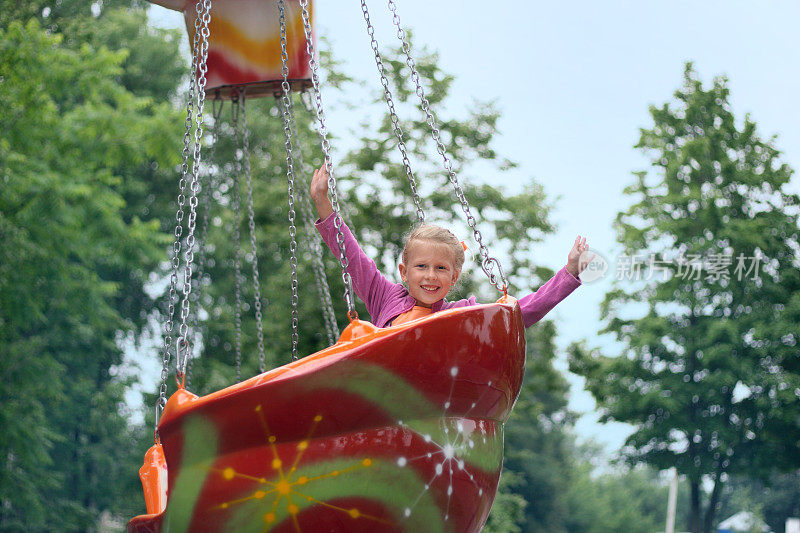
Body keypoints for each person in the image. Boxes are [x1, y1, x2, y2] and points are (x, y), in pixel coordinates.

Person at [311, 164, 589, 328]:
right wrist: (323, 203)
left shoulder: (458, 316)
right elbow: (351, 256)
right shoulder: (384, 297)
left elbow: (517, 314)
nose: (431, 276)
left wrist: (569, 273)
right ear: (403, 271)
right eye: (421, 266)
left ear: (454, 277)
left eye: (441, 268)